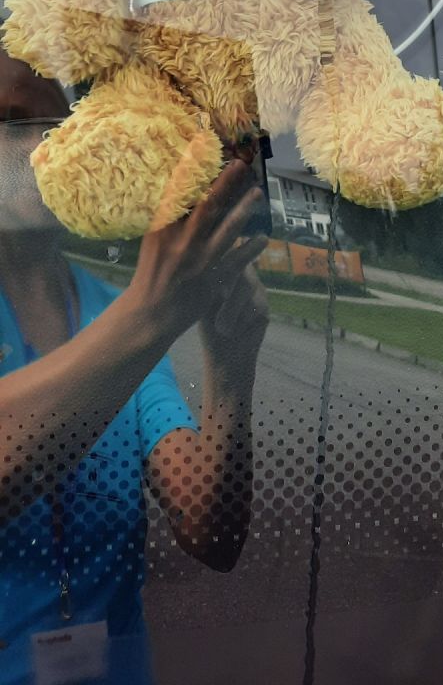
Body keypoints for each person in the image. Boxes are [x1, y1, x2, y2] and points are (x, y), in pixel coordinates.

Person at [0, 47, 269, 684]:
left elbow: (208, 529)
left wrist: (230, 368)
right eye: (11, 122)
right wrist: (150, 312)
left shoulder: (107, 307)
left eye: (56, 126)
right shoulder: (132, 317)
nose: (40, 146)